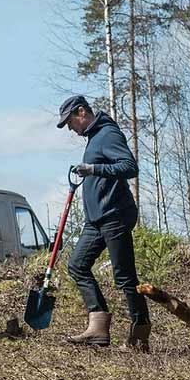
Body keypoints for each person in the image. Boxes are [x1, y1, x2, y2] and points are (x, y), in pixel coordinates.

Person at [57, 95, 151, 351]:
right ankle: (98, 328)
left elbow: (130, 167)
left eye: (69, 122)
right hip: (96, 220)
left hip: (115, 215)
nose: (70, 129)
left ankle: (140, 333)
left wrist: (94, 169)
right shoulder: (93, 138)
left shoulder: (107, 133)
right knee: (77, 265)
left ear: (81, 112)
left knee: (124, 277)